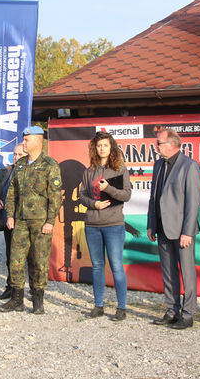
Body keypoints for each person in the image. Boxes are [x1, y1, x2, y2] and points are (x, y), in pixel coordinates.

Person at [0, 126, 62, 314]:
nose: (23, 143)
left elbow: (55, 196)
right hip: (20, 221)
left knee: (39, 261)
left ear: (37, 141)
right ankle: (17, 299)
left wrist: (50, 221)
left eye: (27, 140)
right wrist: (10, 215)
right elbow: (12, 192)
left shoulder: (50, 165)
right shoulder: (20, 164)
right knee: (16, 260)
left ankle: (37, 299)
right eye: (24, 139)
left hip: (41, 222)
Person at [147, 128, 200, 330]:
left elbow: (193, 202)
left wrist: (187, 231)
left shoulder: (190, 166)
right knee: (168, 272)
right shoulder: (158, 165)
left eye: (158, 143)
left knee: (187, 273)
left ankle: (188, 315)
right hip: (162, 228)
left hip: (182, 231)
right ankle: (171, 311)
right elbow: (154, 197)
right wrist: (151, 224)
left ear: (171, 144)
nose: (156, 146)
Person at [78, 131, 132, 321]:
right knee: (97, 266)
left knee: (116, 266)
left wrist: (107, 189)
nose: (102, 149)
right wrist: (94, 204)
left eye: (105, 145)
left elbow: (126, 195)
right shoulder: (88, 171)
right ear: (95, 148)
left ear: (112, 148)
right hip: (92, 225)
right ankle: (98, 305)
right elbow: (82, 196)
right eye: (99, 146)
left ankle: (121, 308)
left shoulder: (120, 169)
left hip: (114, 225)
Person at [0, 144, 36, 300]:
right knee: (11, 256)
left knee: (31, 257)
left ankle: (34, 290)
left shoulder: (35, 173)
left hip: (28, 222)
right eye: (14, 154)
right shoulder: (4, 172)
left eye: (20, 154)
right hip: (9, 221)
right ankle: (11, 288)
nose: (16, 157)